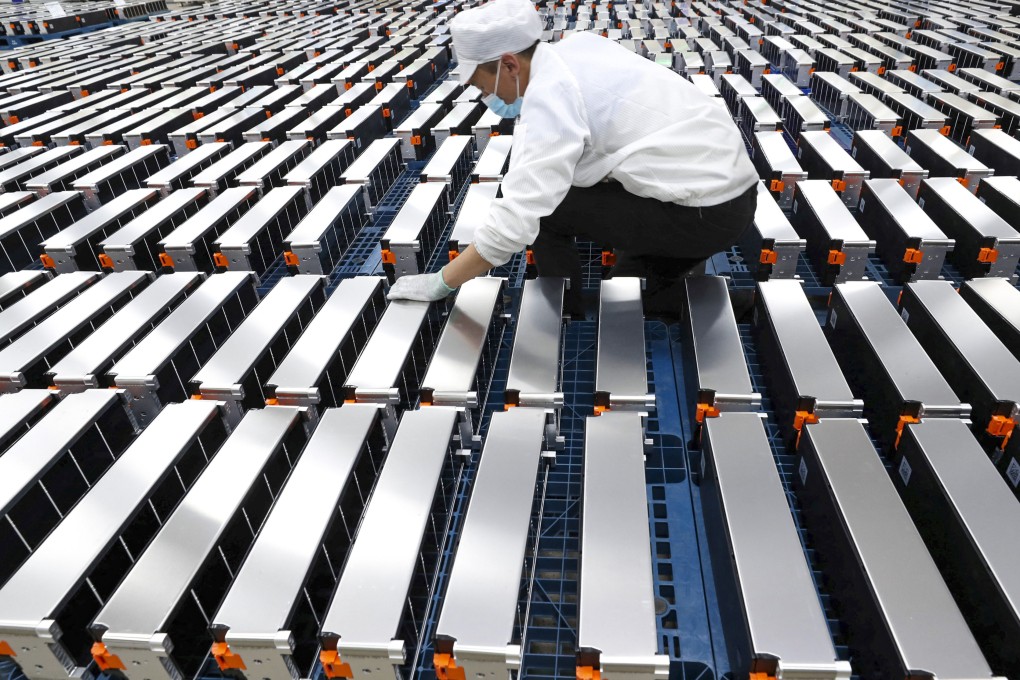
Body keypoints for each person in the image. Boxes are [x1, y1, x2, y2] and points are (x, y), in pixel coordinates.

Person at [387, 0, 759, 317]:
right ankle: (742, 304)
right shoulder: (578, 47)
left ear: (510, 65)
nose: (485, 95)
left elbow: (517, 220)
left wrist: (442, 282)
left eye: (482, 84)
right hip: (727, 190)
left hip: (704, 211)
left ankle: (566, 307)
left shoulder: (551, 98)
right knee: (632, 291)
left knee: (550, 211)